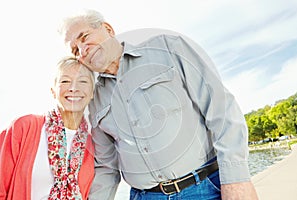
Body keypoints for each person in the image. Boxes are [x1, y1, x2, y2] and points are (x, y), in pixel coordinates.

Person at [59, 9, 258, 200]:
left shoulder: (169, 48)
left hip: (206, 188)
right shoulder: (94, 100)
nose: (83, 50)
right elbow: (107, 167)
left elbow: (222, 111)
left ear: (108, 29)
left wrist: (236, 180)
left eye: (84, 37)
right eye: (76, 50)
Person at [0, 57, 95, 200]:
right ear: (53, 90)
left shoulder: (94, 145)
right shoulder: (24, 127)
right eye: (65, 81)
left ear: (92, 92)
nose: (74, 88)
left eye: (83, 81)